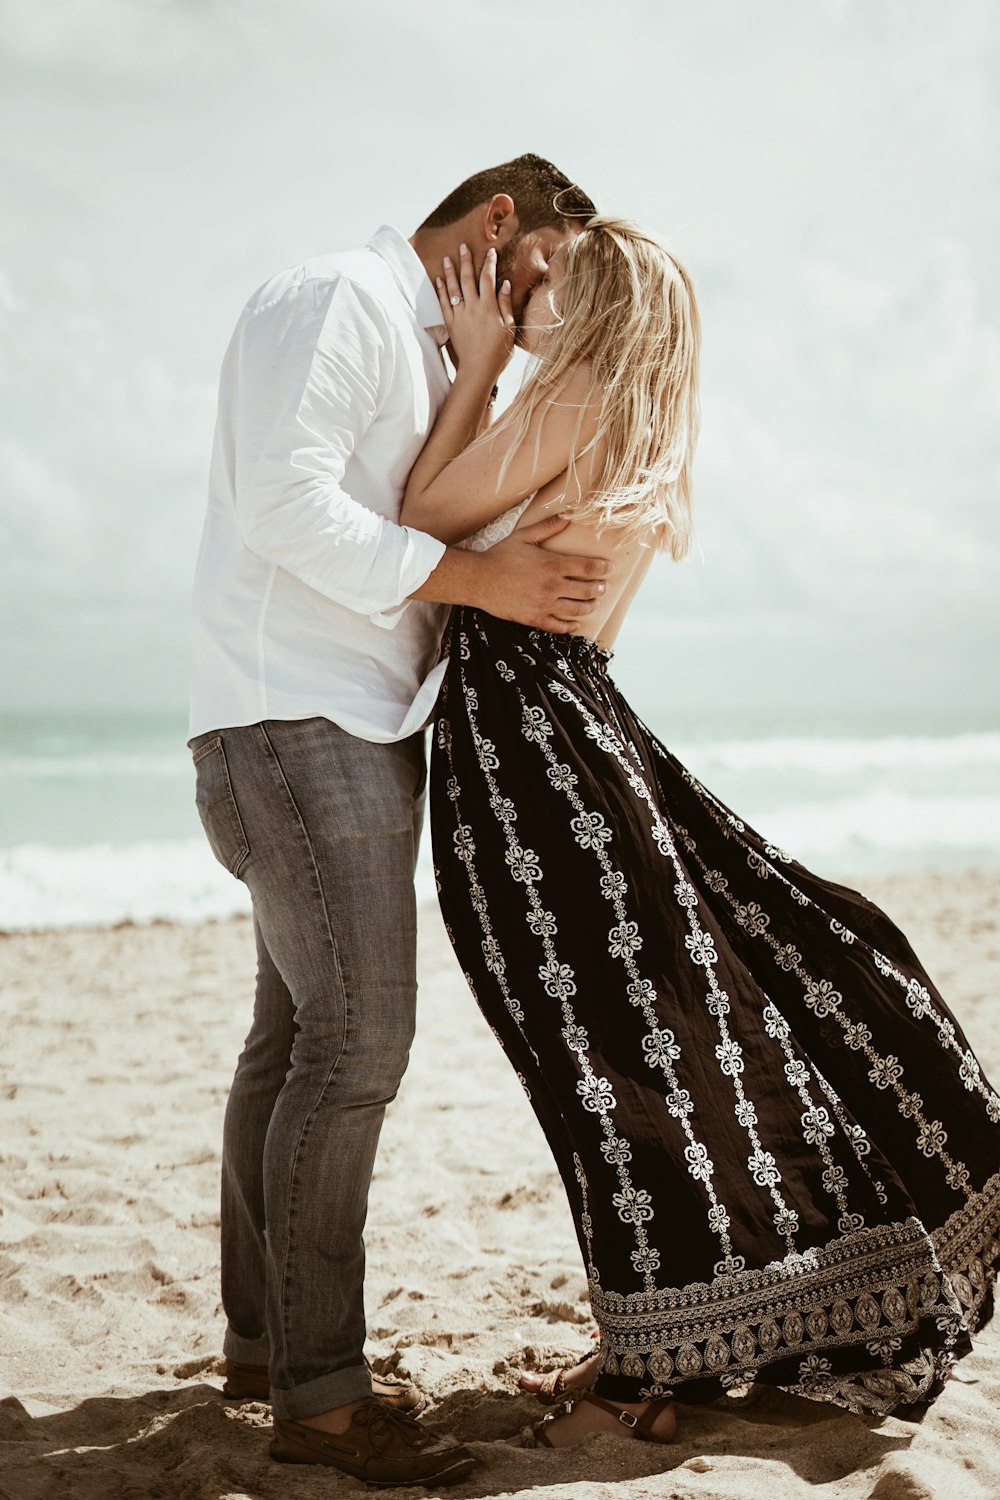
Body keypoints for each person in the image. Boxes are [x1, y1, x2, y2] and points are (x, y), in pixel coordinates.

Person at [400, 218, 1000, 1448]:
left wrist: (472, 363)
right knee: (651, 1052)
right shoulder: (646, 434)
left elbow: (421, 507)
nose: (526, 301)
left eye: (549, 286)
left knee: (608, 1068)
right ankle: (664, 1341)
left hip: (526, 756)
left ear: (600, 307)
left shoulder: (572, 405)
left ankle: (650, 1365)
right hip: (578, 728)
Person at [186, 155, 608, 1488]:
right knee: (359, 1042)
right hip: (293, 721)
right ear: (500, 225)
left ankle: (269, 1352)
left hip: (344, 720)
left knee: (295, 1038)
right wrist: (483, 574)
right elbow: (285, 506)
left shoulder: (435, 353)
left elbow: (420, 509)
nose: (563, 307)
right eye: (556, 269)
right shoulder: (339, 300)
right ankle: (321, 1403)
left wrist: (488, 375)